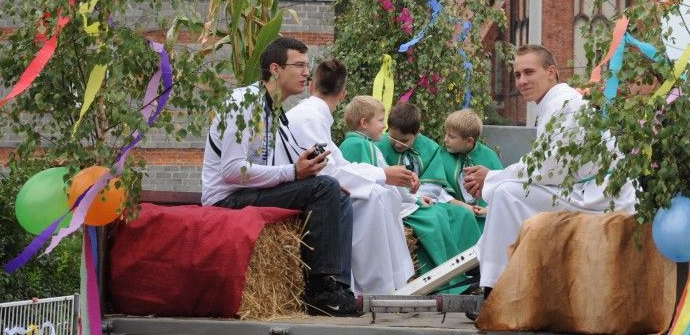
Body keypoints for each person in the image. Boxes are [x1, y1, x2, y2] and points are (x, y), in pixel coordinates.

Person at [462, 44, 637, 296]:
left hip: (599, 196)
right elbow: (547, 164)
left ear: (552, 72)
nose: (522, 81)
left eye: (529, 72)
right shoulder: (556, 102)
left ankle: (494, 284)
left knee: (507, 194)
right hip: (586, 188)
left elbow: (549, 167)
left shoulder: (563, 104)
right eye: (518, 75)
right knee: (509, 193)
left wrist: (492, 178)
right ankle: (491, 265)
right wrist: (495, 178)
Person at [201, 37, 357, 316]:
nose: (306, 73)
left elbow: (276, 169)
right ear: (275, 69)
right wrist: (294, 173)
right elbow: (231, 170)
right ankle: (318, 291)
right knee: (325, 188)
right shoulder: (244, 102)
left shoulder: (275, 111)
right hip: (227, 199)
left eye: (307, 66)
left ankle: (337, 287)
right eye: (298, 65)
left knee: (339, 193)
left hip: (248, 194)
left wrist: (303, 171)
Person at [277, 63, 416, 295]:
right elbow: (329, 172)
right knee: (375, 197)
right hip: (305, 190)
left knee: (382, 192)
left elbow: (340, 164)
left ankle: (393, 284)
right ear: (343, 95)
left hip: (313, 185)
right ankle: (371, 288)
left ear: (312, 86)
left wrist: (384, 177)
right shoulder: (310, 117)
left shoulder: (314, 115)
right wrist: (382, 175)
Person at [374, 102, 481, 293]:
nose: (397, 144)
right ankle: (442, 281)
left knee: (461, 215)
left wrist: (420, 196)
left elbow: (433, 185)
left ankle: (471, 271)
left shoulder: (430, 147)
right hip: (399, 203)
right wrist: (410, 197)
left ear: (416, 133)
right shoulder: (378, 145)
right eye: (393, 138)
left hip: (425, 199)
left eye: (404, 140)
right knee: (433, 220)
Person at [438, 108, 504, 232]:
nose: (445, 139)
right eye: (445, 134)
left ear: (469, 141)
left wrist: (488, 209)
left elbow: (502, 190)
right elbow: (435, 189)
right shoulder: (441, 155)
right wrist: (457, 204)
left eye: (451, 137)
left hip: (485, 219)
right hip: (453, 216)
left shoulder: (489, 157)